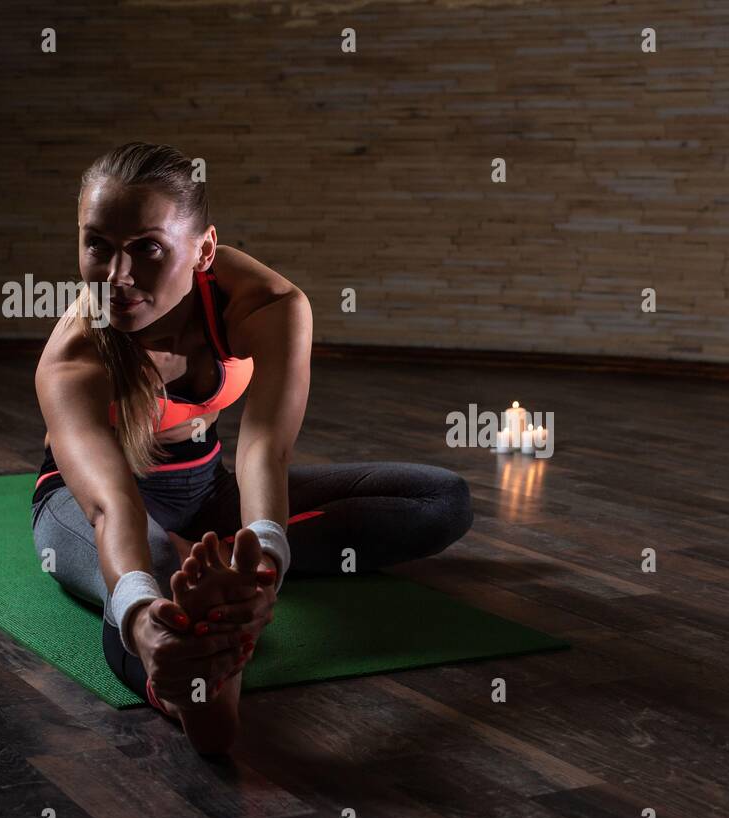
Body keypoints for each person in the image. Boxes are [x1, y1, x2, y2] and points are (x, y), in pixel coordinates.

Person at [31, 142, 473, 754]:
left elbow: (264, 446)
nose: (117, 276)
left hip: (209, 489)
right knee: (150, 577)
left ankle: (220, 591)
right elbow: (112, 507)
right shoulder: (72, 358)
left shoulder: (267, 304)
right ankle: (194, 682)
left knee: (438, 499)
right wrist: (141, 619)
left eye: (148, 248)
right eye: (97, 245)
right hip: (84, 506)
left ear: (204, 249)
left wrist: (263, 564)